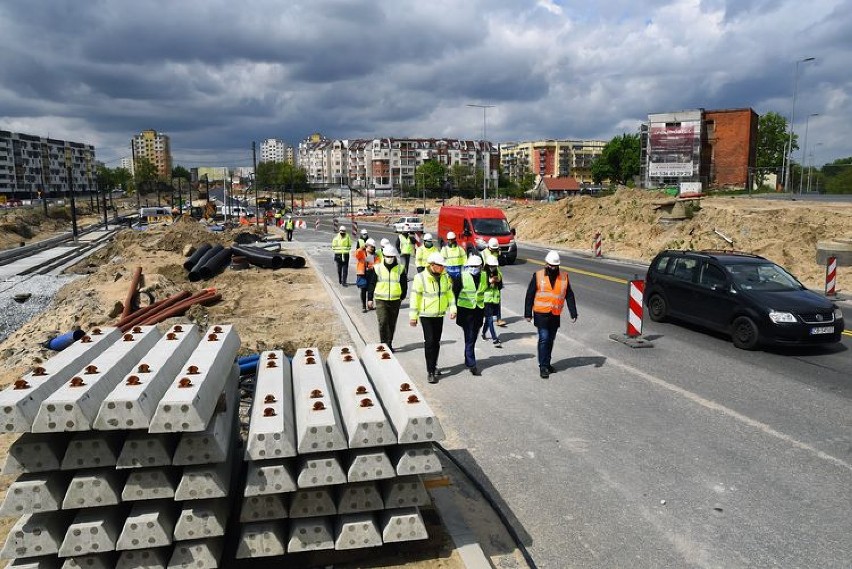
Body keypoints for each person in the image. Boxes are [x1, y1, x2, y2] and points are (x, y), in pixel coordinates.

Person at [524, 250, 578, 379]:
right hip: (541, 314)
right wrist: (527, 313)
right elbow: (530, 294)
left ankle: (547, 363)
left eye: (555, 266)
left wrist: (573, 312)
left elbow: (569, 294)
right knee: (544, 338)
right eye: (551, 265)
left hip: (555, 314)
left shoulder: (564, 277)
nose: (553, 268)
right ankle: (542, 366)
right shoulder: (538, 275)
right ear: (546, 264)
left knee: (551, 339)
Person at [409, 252, 457, 384]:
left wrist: (453, 309)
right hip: (426, 315)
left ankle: (434, 365)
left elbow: (449, 294)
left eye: (443, 266)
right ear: (432, 265)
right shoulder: (420, 278)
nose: (442, 268)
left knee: (436, 342)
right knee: (429, 342)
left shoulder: (444, 277)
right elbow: (415, 298)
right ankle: (430, 372)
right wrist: (413, 317)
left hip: (439, 314)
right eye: (440, 266)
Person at [453, 255, 487, 376]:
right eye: (471, 266)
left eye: (475, 266)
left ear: (480, 267)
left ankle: (468, 359)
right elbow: (454, 293)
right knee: (470, 335)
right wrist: (454, 309)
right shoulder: (461, 277)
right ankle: (472, 364)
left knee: (472, 337)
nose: (473, 268)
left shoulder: (484, 276)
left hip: (478, 312)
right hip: (465, 312)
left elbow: (486, 292)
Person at [371, 245, 408, 352]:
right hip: (381, 300)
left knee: (392, 323)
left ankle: (389, 343)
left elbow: (404, 284)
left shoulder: (400, 268)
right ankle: (383, 343)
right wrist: (369, 298)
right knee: (383, 322)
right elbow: (372, 283)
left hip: (395, 300)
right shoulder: (377, 267)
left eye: (391, 256)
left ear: (395, 256)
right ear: (383, 255)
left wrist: (402, 296)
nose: (389, 258)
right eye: (387, 256)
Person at [480, 238, 507, 326]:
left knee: (497, 298)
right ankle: (483, 317)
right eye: (493, 249)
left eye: (495, 249)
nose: (494, 250)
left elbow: (503, 263)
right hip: (486, 277)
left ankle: (499, 319)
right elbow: (480, 266)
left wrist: (500, 254)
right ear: (488, 246)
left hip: (496, 277)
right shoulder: (483, 253)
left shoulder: (497, 252)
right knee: (485, 299)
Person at [481, 256, 504, 347]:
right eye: (491, 266)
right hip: (486, 300)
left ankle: (483, 333)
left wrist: (497, 281)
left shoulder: (498, 272)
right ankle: (495, 339)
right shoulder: (483, 274)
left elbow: (500, 286)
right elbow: (481, 288)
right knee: (490, 319)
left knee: (488, 319)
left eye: (494, 266)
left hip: (495, 299)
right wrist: (488, 282)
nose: (493, 268)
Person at [354, 238, 378, 312]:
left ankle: (370, 304)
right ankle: (364, 306)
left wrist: (372, 267)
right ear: (367, 246)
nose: (372, 248)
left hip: (371, 274)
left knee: (371, 290)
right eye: (371, 247)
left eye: (373, 247)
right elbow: (356, 254)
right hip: (362, 274)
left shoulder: (374, 255)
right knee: (363, 290)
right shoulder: (361, 252)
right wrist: (362, 248)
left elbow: (377, 263)